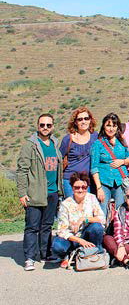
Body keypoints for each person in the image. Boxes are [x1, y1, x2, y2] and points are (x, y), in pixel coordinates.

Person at [16, 113, 64, 271]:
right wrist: (22, 193)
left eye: (48, 125)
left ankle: (45, 253)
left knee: (47, 225)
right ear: (38, 126)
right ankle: (30, 257)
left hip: (52, 192)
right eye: (42, 125)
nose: (45, 128)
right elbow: (22, 171)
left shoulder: (54, 144)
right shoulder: (30, 145)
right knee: (32, 226)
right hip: (35, 192)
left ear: (53, 127)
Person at [52, 172, 106, 268]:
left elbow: (102, 219)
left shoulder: (92, 198)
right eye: (77, 187)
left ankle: (95, 251)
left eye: (83, 187)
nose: (80, 190)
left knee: (97, 227)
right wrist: (80, 241)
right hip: (72, 238)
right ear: (72, 188)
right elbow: (62, 231)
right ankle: (69, 253)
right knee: (57, 246)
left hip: (87, 234)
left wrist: (84, 219)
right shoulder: (65, 204)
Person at [90, 113, 129, 216]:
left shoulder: (121, 142)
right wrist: (99, 188)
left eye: (114, 125)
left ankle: (119, 231)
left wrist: (122, 162)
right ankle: (103, 230)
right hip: (104, 181)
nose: (111, 129)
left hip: (119, 181)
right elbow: (94, 167)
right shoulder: (98, 144)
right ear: (104, 126)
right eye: (108, 125)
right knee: (102, 210)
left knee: (121, 209)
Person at [60, 106, 99, 197]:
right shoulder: (68, 139)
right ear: (75, 122)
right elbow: (59, 158)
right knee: (72, 208)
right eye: (80, 119)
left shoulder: (95, 137)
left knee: (87, 209)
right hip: (70, 180)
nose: (83, 121)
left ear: (90, 120)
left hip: (88, 181)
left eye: (86, 118)